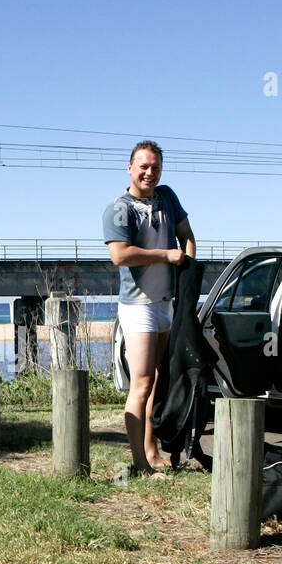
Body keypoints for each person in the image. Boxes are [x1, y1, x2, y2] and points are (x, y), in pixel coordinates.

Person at [103, 141, 195, 475]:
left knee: (158, 380)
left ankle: (151, 448)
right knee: (141, 383)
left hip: (165, 303)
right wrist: (165, 255)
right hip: (138, 305)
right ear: (130, 168)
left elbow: (187, 236)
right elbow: (120, 255)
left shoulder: (167, 197)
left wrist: (187, 274)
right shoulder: (119, 208)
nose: (149, 172)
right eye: (143, 166)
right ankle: (140, 464)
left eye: (155, 166)